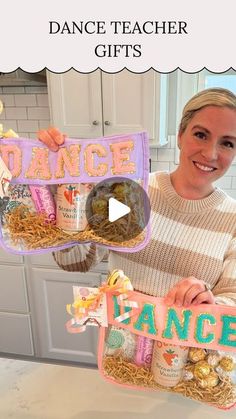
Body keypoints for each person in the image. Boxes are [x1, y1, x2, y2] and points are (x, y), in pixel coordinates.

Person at [38, 87, 236, 307]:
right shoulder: (130, 193)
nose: (210, 153)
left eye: (227, 143)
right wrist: (63, 194)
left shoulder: (233, 219)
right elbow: (76, 261)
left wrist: (210, 301)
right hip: (119, 340)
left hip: (183, 342)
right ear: (180, 135)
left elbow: (232, 298)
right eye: (201, 134)